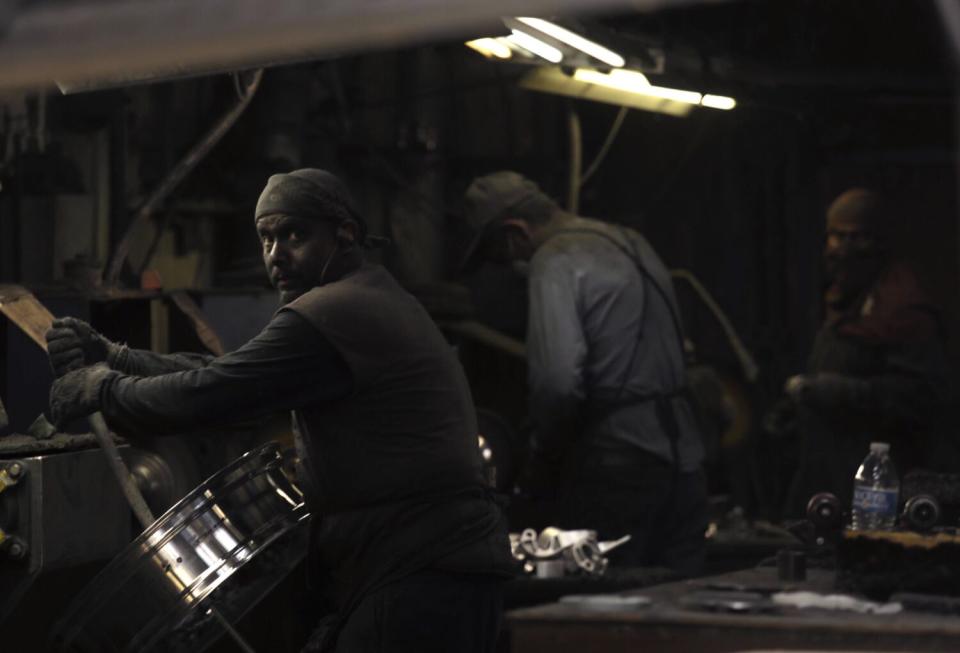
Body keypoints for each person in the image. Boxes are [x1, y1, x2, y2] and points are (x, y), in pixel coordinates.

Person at [45, 168, 515, 652]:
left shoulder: (336, 311)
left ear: (345, 234)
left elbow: (215, 393)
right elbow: (230, 372)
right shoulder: (362, 298)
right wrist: (117, 357)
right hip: (427, 565)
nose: (276, 255)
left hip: (424, 573)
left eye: (294, 234)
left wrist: (103, 389)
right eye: (266, 238)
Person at [461, 171, 707, 576]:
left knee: (602, 612)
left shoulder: (554, 260)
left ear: (514, 232)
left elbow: (557, 385)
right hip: (685, 462)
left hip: (618, 470)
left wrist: (539, 461)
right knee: (679, 608)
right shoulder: (632, 241)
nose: (513, 266)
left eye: (502, 255)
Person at [781, 188, 949, 514]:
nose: (843, 250)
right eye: (836, 236)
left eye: (857, 238)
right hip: (829, 482)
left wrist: (843, 393)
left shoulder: (902, 309)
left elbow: (923, 396)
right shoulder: (846, 302)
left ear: (879, 243)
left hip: (879, 491)